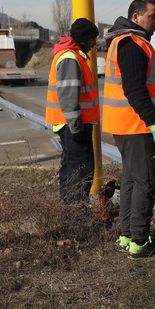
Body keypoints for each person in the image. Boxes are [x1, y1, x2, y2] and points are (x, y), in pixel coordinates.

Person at [102, 0, 155, 260]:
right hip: (136, 125)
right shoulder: (131, 44)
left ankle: (128, 236)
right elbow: (134, 89)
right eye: (152, 16)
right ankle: (140, 242)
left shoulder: (126, 42)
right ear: (136, 17)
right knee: (146, 180)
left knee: (131, 180)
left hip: (127, 124)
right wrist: (153, 120)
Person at [45, 18, 101, 207]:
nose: (94, 43)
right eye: (93, 39)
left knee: (72, 168)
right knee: (80, 171)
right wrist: (76, 127)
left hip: (72, 124)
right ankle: (78, 218)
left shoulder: (72, 55)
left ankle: (72, 214)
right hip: (74, 126)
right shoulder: (70, 57)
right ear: (84, 39)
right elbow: (68, 96)